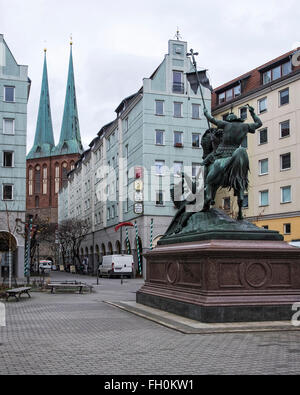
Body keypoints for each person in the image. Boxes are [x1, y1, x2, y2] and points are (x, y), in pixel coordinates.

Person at [202, 105, 262, 220]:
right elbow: (259, 124)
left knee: (205, 164)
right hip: (236, 155)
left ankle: (207, 189)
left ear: (229, 120)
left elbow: (212, 120)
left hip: (221, 153)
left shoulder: (226, 125)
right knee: (240, 179)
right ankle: (240, 213)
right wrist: (253, 113)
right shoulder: (245, 126)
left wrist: (206, 113)